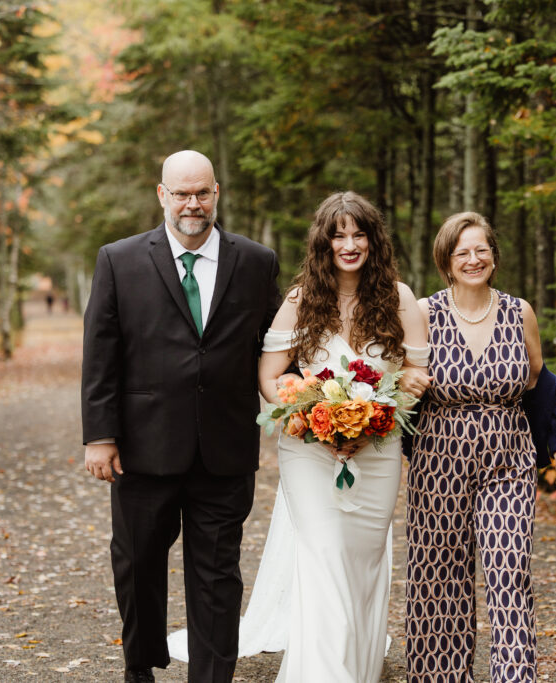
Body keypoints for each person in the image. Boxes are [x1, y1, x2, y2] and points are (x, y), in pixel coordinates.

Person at [81, 150, 281, 683]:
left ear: (217, 194)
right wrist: (100, 435)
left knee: (217, 576)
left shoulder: (257, 262)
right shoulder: (118, 260)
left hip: (225, 449)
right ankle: (139, 666)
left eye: (202, 192)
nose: (192, 203)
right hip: (143, 449)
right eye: (182, 193)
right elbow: (101, 354)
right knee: (138, 564)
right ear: (162, 195)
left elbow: (280, 349)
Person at [254, 191, 430, 682]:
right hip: (309, 452)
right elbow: (270, 378)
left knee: (363, 559)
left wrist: (380, 417)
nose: (349, 244)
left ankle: (359, 663)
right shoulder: (300, 302)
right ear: (323, 243)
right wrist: (310, 417)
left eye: (359, 234)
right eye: (339, 235)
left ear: (374, 241)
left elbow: (418, 373)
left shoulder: (400, 298)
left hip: (378, 451)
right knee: (325, 554)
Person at [405, 211, 556, 683]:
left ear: (494, 257)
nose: (473, 259)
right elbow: (403, 383)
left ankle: (514, 676)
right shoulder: (424, 312)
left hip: (509, 456)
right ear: (446, 260)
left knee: (509, 569)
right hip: (439, 458)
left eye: (481, 250)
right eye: (462, 252)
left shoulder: (519, 312)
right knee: (439, 576)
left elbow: (540, 381)